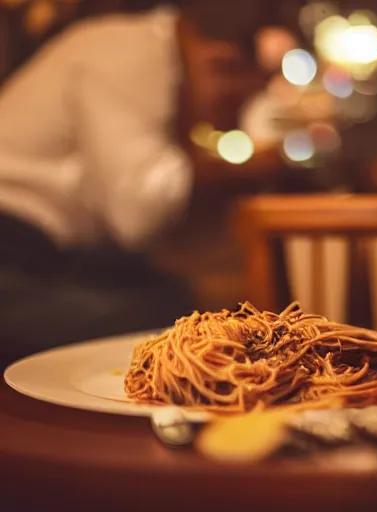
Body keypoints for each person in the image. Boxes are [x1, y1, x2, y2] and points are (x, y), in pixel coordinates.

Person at [0, 0, 302, 361]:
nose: (226, 115)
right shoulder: (132, 54)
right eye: (231, 98)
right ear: (219, 58)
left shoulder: (134, 46)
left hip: (41, 253)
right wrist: (234, 168)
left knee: (174, 299)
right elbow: (138, 214)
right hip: (12, 252)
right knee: (171, 314)